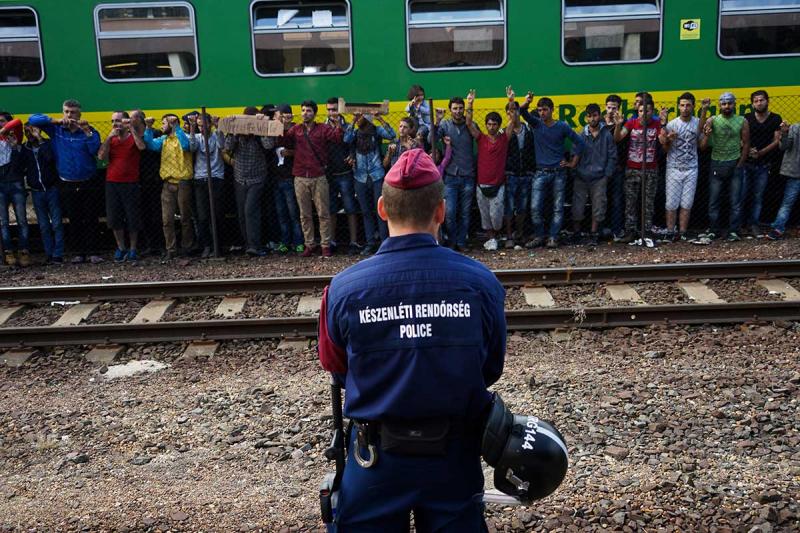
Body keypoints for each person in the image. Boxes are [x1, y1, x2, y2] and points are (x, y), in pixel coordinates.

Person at [317, 147, 506, 530]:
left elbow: (336, 368)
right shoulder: (480, 283)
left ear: (382, 209)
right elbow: (490, 367)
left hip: (375, 460)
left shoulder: (343, 289)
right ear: (441, 210)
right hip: (453, 457)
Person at [29, 100, 103, 264]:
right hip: (66, 182)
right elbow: (32, 119)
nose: (70, 115)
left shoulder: (90, 131)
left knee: (91, 218)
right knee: (74, 219)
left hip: (87, 181)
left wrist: (86, 132)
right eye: (67, 112)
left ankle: (94, 252)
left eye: (73, 112)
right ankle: (79, 253)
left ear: (80, 114)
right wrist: (54, 120)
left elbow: (94, 150)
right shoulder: (56, 130)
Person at [518, 88, 585, 248]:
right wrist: (527, 102)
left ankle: (553, 237)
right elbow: (521, 111)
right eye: (540, 110)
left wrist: (572, 162)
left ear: (552, 110)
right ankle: (540, 236)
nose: (541, 113)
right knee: (535, 207)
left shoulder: (562, 126)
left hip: (559, 172)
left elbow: (580, 142)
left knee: (557, 207)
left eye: (545, 110)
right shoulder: (536, 124)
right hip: (540, 172)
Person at [283, 100, 344, 257]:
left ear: (314, 113)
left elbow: (337, 138)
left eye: (308, 111)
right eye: (303, 110)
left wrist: (337, 124)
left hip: (319, 176)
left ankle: (325, 245)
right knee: (305, 214)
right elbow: (284, 142)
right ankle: (309, 244)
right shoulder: (295, 129)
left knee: (323, 213)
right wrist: (284, 126)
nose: (305, 113)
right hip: (300, 176)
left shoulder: (323, 129)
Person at [464, 89, 516, 251]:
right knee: (485, 216)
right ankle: (491, 239)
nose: (491, 127)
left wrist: (511, 101)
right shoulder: (481, 138)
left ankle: (498, 235)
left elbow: (513, 121)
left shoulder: (504, 138)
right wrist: (470, 103)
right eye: (489, 124)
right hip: (481, 185)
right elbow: (468, 123)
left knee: (496, 217)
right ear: (486, 125)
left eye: (494, 124)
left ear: (498, 125)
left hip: (498, 184)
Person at [698, 92, 751, 243]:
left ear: (734, 104)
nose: (727, 106)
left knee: (735, 202)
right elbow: (700, 131)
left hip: (734, 163)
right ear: (719, 105)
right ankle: (714, 230)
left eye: (730, 103)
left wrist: (740, 163)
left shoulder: (742, 121)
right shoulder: (713, 119)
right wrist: (704, 111)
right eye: (723, 103)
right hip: (717, 163)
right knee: (714, 201)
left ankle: (734, 231)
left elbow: (746, 143)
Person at [224, 106, 275, 257]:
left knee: (250, 210)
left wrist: (261, 127)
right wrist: (234, 131)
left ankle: (255, 245)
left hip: (257, 177)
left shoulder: (259, 133)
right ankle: (248, 244)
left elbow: (269, 145)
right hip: (240, 177)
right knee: (241, 213)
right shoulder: (237, 134)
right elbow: (227, 147)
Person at [659, 93, 709, 242]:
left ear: (693, 106)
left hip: (692, 167)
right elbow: (664, 150)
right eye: (682, 105)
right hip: (674, 167)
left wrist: (706, 135)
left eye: (688, 105)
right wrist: (668, 140)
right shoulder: (671, 124)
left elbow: (702, 146)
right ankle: (669, 231)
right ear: (678, 106)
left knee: (687, 202)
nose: (685, 108)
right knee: (671, 202)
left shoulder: (698, 122)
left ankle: (682, 232)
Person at [144, 113, 195, 260]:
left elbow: (186, 146)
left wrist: (177, 127)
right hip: (167, 183)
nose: (162, 126)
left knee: (185, 217)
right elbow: (150, 145)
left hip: (183, 182)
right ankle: (171, 249)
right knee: (167, 219)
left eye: (164, 123)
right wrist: (148, 128)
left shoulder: (182, 137)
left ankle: (187, 247)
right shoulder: (163, 140)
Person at [344, 111, 395, 255]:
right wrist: (353, 121)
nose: (360, 119)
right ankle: (370, 242)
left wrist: (380, 119)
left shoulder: (377, 131)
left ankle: (385, 242)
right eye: (358, 116)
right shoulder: (355, 132)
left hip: (377, 175)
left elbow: (392, 135)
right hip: (360, 177)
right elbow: (346, 139)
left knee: (380, 211)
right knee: (366, 212)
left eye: (362, 117)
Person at [97, 111, 146, 262]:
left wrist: (131, 129)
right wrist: (109, 137)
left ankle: (132, 248)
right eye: (113, 121)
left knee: (132, 217)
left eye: (118, 121)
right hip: (112, 183)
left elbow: (142, 147)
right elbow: (101, 157)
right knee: (114, 217)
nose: (115, 124)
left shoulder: (133, 137)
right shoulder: (111, 140)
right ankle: (121, 247)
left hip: (131, 183)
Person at [613, 96, 663, 243]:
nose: (643, 113)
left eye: (646, 111)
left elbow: (663, 140)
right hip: (632, 168)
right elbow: (618, 138)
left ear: (651, 111)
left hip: (651, 169)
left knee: (648, 202)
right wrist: (617, 125)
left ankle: (646, 231)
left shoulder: (657, 123)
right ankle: (630, 231)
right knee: (630, 201)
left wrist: (665, 129)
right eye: (640, 111)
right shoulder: (631, 123)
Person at [431, 96, 476, 251]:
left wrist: (471, 105)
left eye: (460, 108)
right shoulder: (444, 125)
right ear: (450, 110)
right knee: (449, 213)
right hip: (450, 176)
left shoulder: (471, 125)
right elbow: (432, 139)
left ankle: (462, 243)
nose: (458, 111)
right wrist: (437, 121)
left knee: (465, 213)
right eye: (455, 108)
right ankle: (452, 242)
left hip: (468, 174)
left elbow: (480, 137)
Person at [571, 103, 616, 246]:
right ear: (585, 118)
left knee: (599, 207)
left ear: (599, 116)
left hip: (599, 177)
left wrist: (607, 175)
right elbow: (574, 154)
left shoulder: (607, 135)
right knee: (577, 207)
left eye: (595, 115)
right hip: (581, 177)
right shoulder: (580, 135)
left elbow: (612, 156)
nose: (592, 119)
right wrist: (576, 172)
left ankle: (594, 233)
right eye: (589, 116)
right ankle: (577, 234)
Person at [742, 90, 783, 237]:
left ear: (767, 101)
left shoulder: (775, 118)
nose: (759, 103)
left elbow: (777, 140)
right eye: (756, 101)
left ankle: (754, 224)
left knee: (757, 196)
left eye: (761, 100)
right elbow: (740, 138)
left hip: (764, 164)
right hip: (746, 163)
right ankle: (739, 225)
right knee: (742, 194)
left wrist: (760, 153)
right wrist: (747, 149)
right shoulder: (746, 118)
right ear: (752, 103)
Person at [22, 123, 63, 264]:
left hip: (51, 189)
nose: (29, 133)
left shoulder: (48, 144)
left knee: (56, 223)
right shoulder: (25, 148)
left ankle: (58, 254)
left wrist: (40, 139)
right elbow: (22, 166)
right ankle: (49, 253)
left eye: (32, 130)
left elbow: (50, 159)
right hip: (37, 191)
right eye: (26, 131)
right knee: (44, 225)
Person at [325, 97, 360, 255]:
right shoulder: (323, 128)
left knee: (350, 208)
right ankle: (332, 241)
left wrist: (352, 154)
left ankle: (353, 242)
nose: (332, 112)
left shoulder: (348, 126)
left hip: (345, 173)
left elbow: (353, 144)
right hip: (330, 174)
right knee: (331, 209)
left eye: (335, 109)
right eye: (330, 109)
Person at [188, 113, 225, 258]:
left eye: (204, 125)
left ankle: (218, 246)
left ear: (210, 124)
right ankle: (207, 245)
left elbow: (222, 145)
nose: (202, 128)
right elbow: (191, 148)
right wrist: (192, 129)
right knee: (202, 216)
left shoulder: (216, 136)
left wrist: (218, 127)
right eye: (199, 125)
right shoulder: (197, 137)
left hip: (216, 177)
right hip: (200, 179)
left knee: (216, 214)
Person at [502, 100, 536, 249]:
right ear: (507, 113)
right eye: (510, 111)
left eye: (516, 110)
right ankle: (509, 236)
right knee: (508, 207)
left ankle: (520, 234)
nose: (513, 113)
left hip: (526, 173)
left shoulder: (529, 130)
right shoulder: (505, 132)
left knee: (522, 207)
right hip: (511, 174)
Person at [272, 104, 304, 253]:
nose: (281, 118)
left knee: (293, 213)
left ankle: (298, 241)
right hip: (277, 177)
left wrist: (290, 152)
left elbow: (303, 151)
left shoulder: (296, 131)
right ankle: (285, 242)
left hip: (290, 177)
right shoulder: (274, 131)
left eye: (282, 115)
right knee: (281, 213)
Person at [0, 113, 30, 267]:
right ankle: (8, 253)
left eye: (2, 121)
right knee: (3, 222)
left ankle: (23, 251)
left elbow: (18, 122)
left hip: (16, 183)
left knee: (22, 220)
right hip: (1, 185)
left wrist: (5, 132)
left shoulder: (15, 138)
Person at [766, 120, 799, 240]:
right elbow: (784, 146)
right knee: (787, 202)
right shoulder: (795, 128)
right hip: (796, 173)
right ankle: (778, 228)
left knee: (787, 203)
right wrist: (784, 133)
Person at [604, 94, 627, 240]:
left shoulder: (623, 126)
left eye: (615, 108)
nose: (612, 110)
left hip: (618, 168)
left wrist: (617, 124)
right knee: (601, 199)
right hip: (602, 168)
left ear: (619, 109)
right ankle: (602, 229)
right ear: (605, 107)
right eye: (609, 107)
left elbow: (618, 142)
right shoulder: (599, 124)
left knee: (617, 200)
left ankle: (616, 230)